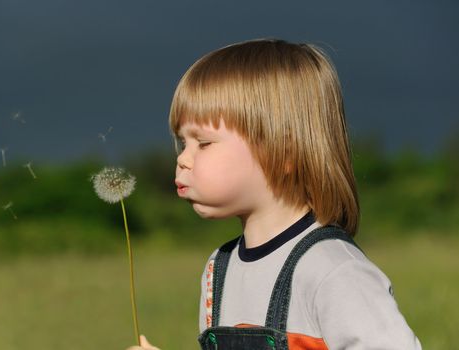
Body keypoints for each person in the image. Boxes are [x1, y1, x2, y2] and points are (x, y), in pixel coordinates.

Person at [127, 38, 421, 350]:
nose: (183, 158)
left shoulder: (333, 271)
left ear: (285, 152)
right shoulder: (219, 269)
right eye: (181, 142)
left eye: (204, 143)